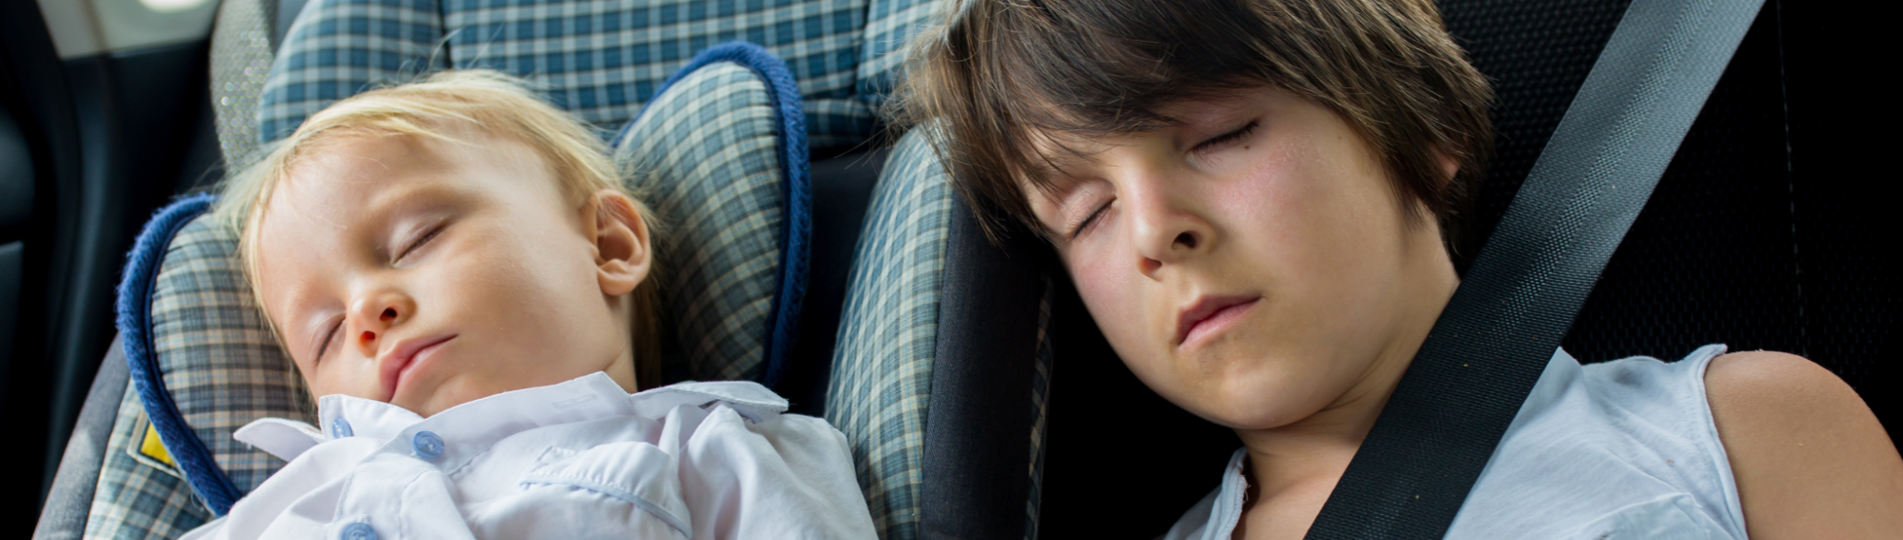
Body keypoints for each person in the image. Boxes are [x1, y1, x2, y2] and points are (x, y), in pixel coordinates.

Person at [891, 0, 1903, 538]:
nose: (1154, 230)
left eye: (1220, 134)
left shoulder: (1738, 428)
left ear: (1416, 134)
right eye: (1088, 212)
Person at [181, 70, 877, 540]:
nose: (366, 312)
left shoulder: (712, 449)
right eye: (327, 333)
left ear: (607, 245)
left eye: (417, 239)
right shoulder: (284, 506)